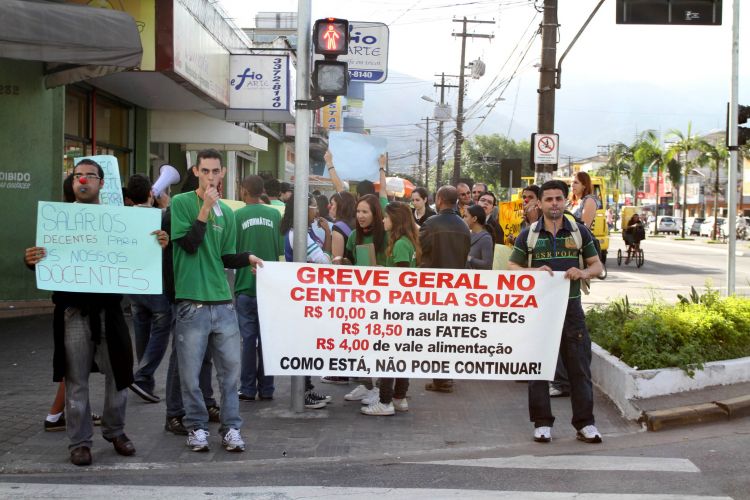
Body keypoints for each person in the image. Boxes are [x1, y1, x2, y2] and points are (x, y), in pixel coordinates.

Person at [25, 159, 166, 466]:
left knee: (119, 374)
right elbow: (43, 259)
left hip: (110, 311)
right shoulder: (57, 221)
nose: (84, 180)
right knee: (76, 379)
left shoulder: (121, 220)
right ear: (72, 183)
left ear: (102, 183)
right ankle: (79, 441)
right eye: (78, 175)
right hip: (73, 312)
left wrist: (158, 243)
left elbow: (139, 254)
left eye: (91, 175)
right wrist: (32, 259)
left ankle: (115, 430)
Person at [171, 148, 262, 453]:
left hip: (223, 302)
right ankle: (196, 427)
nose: (211, 176)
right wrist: (205, 209)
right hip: (191, 303)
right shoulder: (182, 203)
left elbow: (223, 256)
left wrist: (246, 258)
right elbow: (189, 244)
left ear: (223, 173)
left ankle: (232, 428)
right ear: (196, 172)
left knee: (230, 374)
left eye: (216, 171)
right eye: (205, 171)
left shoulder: (228, 213)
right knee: (191, 374)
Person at [507, 179, 604, 445]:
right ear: (539, 202)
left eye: (558, 199)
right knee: (538, 368)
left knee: (579, 368)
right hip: (538, 312)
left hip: (571, 309)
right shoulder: (528, 235)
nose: (554, 204)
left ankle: (585, 424)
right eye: (548, 199)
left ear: (565, 200)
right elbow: (512, 266)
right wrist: (531, 272)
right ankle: (542, 424)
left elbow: (598, 267)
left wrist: (582, 272)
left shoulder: (579, 232)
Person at [361, 202, 419, 416]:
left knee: (390, 355)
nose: (383, 221)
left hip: (396, 309)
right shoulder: (407, 242)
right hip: (404, 307)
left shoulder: (400, 245)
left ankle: (385, 401)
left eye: (386, 217)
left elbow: (401, 279)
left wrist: (383, 273)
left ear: (395, 220)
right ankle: (399, 397)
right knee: (401, 355)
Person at [280, 193, 333, 409]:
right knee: (302, 346)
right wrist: (331, 257)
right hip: (301, 298)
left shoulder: (299, 232)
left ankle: (307, 389)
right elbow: (323, 261)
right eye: (312, 207)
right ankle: (302, 393)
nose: (316, 211)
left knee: (306, 345)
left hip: (303, 297)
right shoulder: (298, 234)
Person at [235, 175, 283, 403]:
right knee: (267, 340)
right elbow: (279, 250)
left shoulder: (237, 216)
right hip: (269, 287)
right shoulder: (275, 214)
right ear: (262, 190)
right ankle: (267, 389)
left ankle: (247, 388)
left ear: (244, 190)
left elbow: (232, 251)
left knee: (247, 340)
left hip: (245, 286)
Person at [419, 186, 471, 393]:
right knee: (449, 333)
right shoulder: (463, 226)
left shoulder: (431, 224)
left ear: (439, 200)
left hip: (433, 286)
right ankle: (445, 376)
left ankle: (441, 379)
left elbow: (419, 249)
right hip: (456, 286)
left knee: (435, 333)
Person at [341, 193, 388, 404]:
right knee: (360, 344)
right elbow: (348, 261)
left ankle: (379, 388)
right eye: (358, 211)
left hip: (383, 299)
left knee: (378, 345)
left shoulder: (386, 236)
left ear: (375, 213)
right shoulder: (353, 236)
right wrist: (340, 261)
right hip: (359, 298)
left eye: (365, 212)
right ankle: (366, 383)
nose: (360, 216)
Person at [464, 205, 494, 270]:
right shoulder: (468, 234)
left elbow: (487, 264)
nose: (463, 219)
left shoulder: (486, 238)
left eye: (466, 216)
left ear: (474, 219)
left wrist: (470, 259)